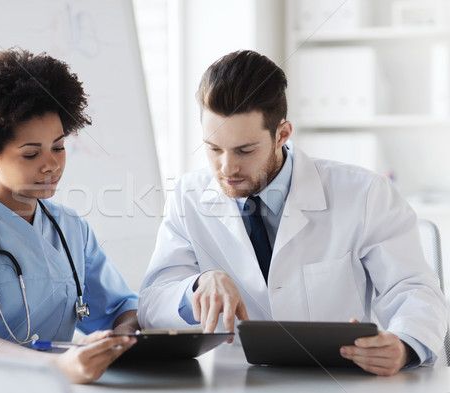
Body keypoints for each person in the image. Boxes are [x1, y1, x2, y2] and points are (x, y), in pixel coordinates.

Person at [138, 49, 448, 376]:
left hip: (336, 378)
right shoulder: (187, 199)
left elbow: (414, 289)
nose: (226, 167)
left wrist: (403, 344)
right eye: (214, 149)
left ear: (282, 135)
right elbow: (152, 304)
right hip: (236, 380)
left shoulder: (364, 194)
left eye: (245, 150)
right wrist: (197, 288)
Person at [0, 48, 139, 384]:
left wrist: (122, 338)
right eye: (31, 153)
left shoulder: (71, 228)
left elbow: (121, 309)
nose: (52, 164)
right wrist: (57, 367)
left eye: (59, 147)